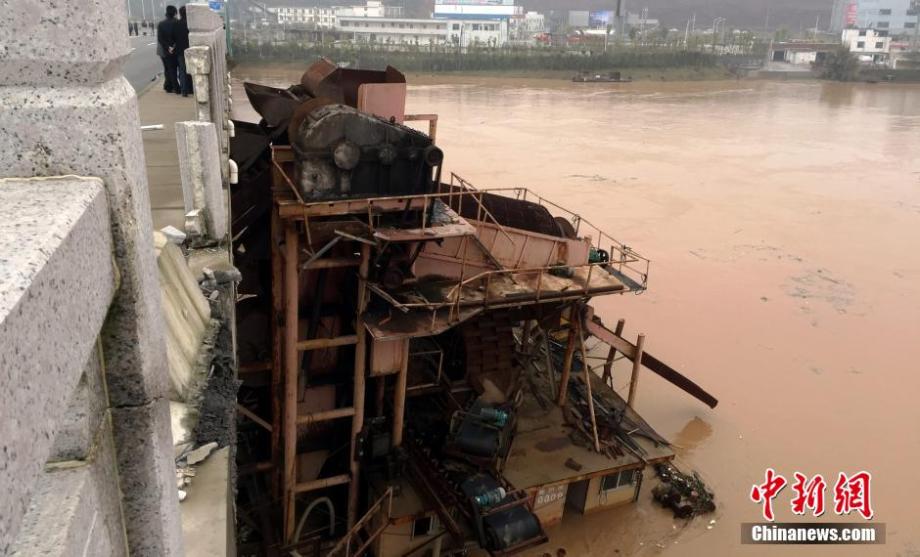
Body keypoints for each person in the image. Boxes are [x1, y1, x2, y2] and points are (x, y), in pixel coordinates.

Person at [156, 6, 180, 94]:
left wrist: (167, 47)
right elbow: (178, 37)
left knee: (168, 69)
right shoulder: (177, 22)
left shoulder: (161, 24)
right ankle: (175, 87)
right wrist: (173, 47)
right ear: (175, 13)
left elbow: (160, 38)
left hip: (164, 51)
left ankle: (168, 86)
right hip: (175, 49)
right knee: (174, 69)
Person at [176, 6, 192, 97]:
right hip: (190, 49)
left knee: (182, 70)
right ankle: (191, 89)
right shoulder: (191, 24)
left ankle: (184, 91)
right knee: (191, 69)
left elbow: (173, 37)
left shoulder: (176, 24)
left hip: (180, 50)